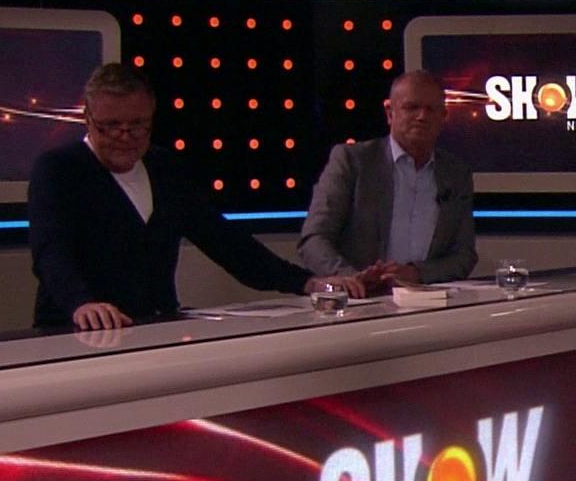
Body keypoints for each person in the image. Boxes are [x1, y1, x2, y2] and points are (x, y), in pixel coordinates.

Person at [27, 64, 353, 330]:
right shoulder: (58, 169)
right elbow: (51, 251)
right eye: (111, 126)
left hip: (154, 328)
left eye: (137, 126)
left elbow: (224, 242)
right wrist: (82, 303)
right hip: (75, 333)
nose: (125, 137)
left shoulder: (164, 168)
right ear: (87, 118)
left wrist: (307, 282)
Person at [297, 70, 478, 290]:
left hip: (428, 298)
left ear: (443, 116)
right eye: (411, 107)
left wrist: (417, 273)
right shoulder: (352, 161)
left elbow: (463, 255)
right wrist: (351, 278)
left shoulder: (456, 173)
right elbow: (314, 239)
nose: (422, 116)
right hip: (359, 300)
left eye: (431, 109)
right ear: (390, 113)